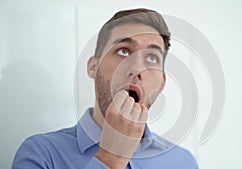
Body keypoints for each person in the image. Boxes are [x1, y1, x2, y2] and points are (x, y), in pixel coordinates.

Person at [12, 8, 199, 169]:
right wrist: (111, 158)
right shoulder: (41, 154)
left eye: (151, 58)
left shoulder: (183, 162)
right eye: (124, 51)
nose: (137, 69)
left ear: (162, 82)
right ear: (93, 66)